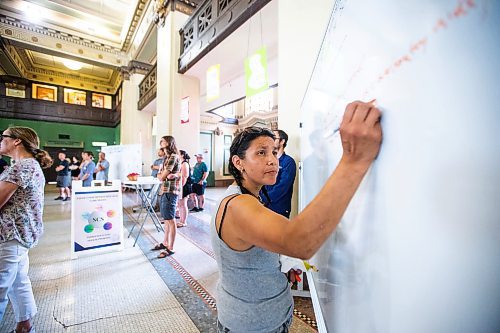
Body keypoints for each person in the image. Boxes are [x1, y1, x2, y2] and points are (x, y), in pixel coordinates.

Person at [211, 101, 382, 332]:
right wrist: (354, 161)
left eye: (273, 152)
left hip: (258, 316)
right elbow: (299, 242)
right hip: (254, 325)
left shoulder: (245, 196)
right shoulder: (238, 205)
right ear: (238, 162)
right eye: (261, 153)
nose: (272, 160)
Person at [0, 126, 53, 333]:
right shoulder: (26, 165)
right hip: (19, 234)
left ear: (17, 141)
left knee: (3, 285)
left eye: (3, 136)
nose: (0, 140)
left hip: (10, 233)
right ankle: (25, 325)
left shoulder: (23, 166)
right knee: (18, 281)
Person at [152, 136, 181, 258]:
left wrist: (160, 174)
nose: (161, 142)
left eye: (163, 140)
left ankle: (171, 248)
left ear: (169, 142)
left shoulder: (173, 157)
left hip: (170, 191)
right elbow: (162, 174)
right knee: (166, 219)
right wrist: (161, 174)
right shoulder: (167, 157)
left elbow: (162, 176)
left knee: (171, 219)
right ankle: (165, 243)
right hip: (165, 190)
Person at [261, 129, 297, 218]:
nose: (271, 140)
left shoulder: (289, 162)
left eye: (274, 137)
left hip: (279, 208)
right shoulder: (268, 160)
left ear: (282, 141)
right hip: (264, 206)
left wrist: (265, 199)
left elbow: (283, 186)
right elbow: (262, 180)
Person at [177, 150, 192, 228]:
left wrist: (180, 187)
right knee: (180, 204)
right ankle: (181, 220)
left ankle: (183, 221)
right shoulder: (181, 163)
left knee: (183, 204)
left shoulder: (185, 163)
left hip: (184, 186)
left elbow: (185, 177)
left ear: (182, 155)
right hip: (181, 186)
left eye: (178, 154)